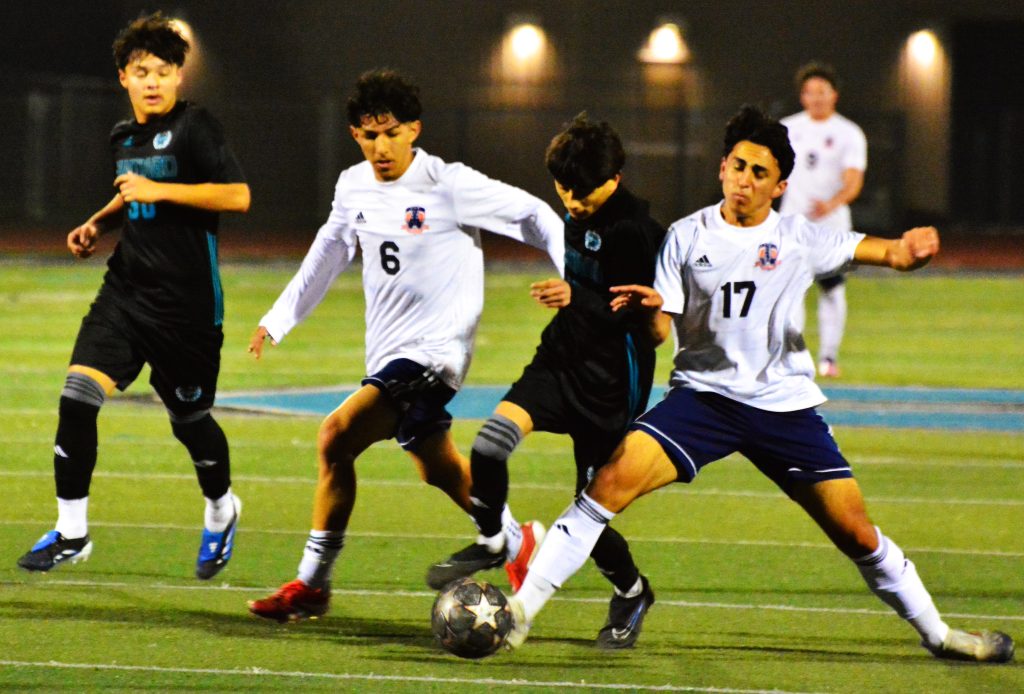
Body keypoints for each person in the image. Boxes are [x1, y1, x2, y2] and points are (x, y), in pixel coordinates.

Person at [504, 106, 1015, 664]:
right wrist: (648, 308)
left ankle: (941, 636)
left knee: (857, 534)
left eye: (760, 173)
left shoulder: (800, 237)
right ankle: (518, 614)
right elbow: (658, 331)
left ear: (780, 186)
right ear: (722, 167)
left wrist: (910, 252)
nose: (744, 180)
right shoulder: (684, 236)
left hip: (783, 407)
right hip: (703, 400)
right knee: (604, 487)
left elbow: (887, 252)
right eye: (738, 166)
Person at [246, 69, 564, 622]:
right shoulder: (353, 186)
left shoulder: (447, 183)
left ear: (414, 129)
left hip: (436, 353)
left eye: (391, 133)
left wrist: (574, 280)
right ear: (355, 135)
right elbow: (329, 250)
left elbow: (535, 215)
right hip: (391, 354)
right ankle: (518, 542)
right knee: (437, 468)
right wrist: (278, 318)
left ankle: (312, 584)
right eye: (369, 135)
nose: (381, 147)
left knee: (335, 437)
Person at [16, 13, 251, 580]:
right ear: (123, 76)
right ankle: (72, 531)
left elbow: (238, 196)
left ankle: (222, 508)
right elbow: (131, 193)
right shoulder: (123, 136)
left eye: (164, 72)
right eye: (142, 72)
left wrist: (160, 190)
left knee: (189, 420)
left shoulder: (196, 127)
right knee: (77, 396)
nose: (153, 82)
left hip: (187, 308)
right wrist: (98, 222)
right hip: (125, 293)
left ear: (179, 77)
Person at [426, 114, 667, 649]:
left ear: (616, 177)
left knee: (589, 513)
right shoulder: (578, 206)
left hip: (611, 383)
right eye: (564, 190)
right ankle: (495, 539)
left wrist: (575, 297)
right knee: (489, 447)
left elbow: (641, 325)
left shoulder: (636, 232)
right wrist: (575, 302)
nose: (572, 202)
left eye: (584, 192)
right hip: (559, 361)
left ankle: (632, 590)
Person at [779, 62, 867, 378]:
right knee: (790, 291)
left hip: (832, 228)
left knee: (832, 289)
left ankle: (829, 358)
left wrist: (831, 204)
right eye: (809, 92)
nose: (816, 98)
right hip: (792, 225)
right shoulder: (786, 128)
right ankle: (793, 358)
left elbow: (854, 181)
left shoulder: (848, 133)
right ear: (801, 96)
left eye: (822, 91)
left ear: (834, 95)